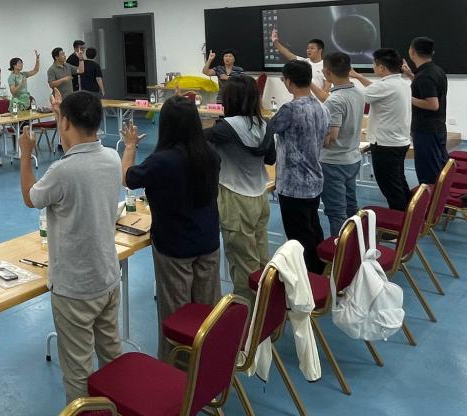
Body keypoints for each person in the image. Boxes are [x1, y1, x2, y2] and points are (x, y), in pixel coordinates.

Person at [17, 90, 121, 402]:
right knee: (112, 356)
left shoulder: (62, 171)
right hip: (107, 276)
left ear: (65, 124)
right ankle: (120, 404)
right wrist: (60, 114)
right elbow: (74, 145)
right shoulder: (112, 158)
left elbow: (30, 197)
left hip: (75, 287)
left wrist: (26, 154)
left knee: (78, 371)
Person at [123, 96, 221, 361]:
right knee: (207, 312)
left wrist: (130, 146)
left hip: (175, 247)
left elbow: (128, 178)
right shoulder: (210, 155)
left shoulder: (162, 161)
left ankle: (177, 372)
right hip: (208, 242)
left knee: (176, 318)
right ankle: (208, 365)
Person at [204, 76, 275, 303]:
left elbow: (196, 142)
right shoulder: (264, 124)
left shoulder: (225, 128)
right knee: (261, 258)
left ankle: (248, 316)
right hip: (260, 196)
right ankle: (267, 309)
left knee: (243, 264)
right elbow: (270, 158)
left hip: (235, 199)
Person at [269, 60, 328, 274]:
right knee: (313, 228)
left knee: (299, 239)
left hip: (293, 184)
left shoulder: (290, 109)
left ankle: (310, 280)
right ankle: (321, 272)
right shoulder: (321, 107)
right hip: (314, 179)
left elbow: (268, 130)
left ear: (288, 82)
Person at [349, 48, 412, 210]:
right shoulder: (401, 83)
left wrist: (343, 83)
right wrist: (358, 76)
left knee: (391, 188)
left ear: (382, 67)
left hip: (386, 145)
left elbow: (356, 98)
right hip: (399, 142)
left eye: (374, 65)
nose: (373, 67)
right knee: (399, 182)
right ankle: (410, 217)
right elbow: (375, 89)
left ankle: (398, 223)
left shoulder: (384, 87)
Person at [320, 52, 367, 238]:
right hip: (352, 157)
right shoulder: (358, 93)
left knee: (336, 212)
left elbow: (331, 137)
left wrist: (314, 140)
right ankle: (356, 245)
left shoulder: (334, 100)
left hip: (333, 162)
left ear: (327, 72)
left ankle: (339, 252)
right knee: (351, 206)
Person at [405, 36, 448, 186]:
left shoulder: (425, 75)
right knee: (439, 168)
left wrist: (406, 96)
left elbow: (432, 104)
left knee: (428, 173)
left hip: (426, 131)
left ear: (412, 52)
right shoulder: (435, 70)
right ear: (432, 52)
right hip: (437, 127)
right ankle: (440, 198)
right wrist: (411, 76)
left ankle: (431, 200)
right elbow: (424, 89)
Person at [271, 28, 328, 101]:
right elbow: (287, 53)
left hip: (317, 102)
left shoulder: (326, 66)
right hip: (302, 101)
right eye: (308, 48)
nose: (309, 50)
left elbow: (326, 89)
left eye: (312, 48)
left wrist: (319, 102)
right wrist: (275, 41)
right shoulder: (303, 63)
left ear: (320, 50)